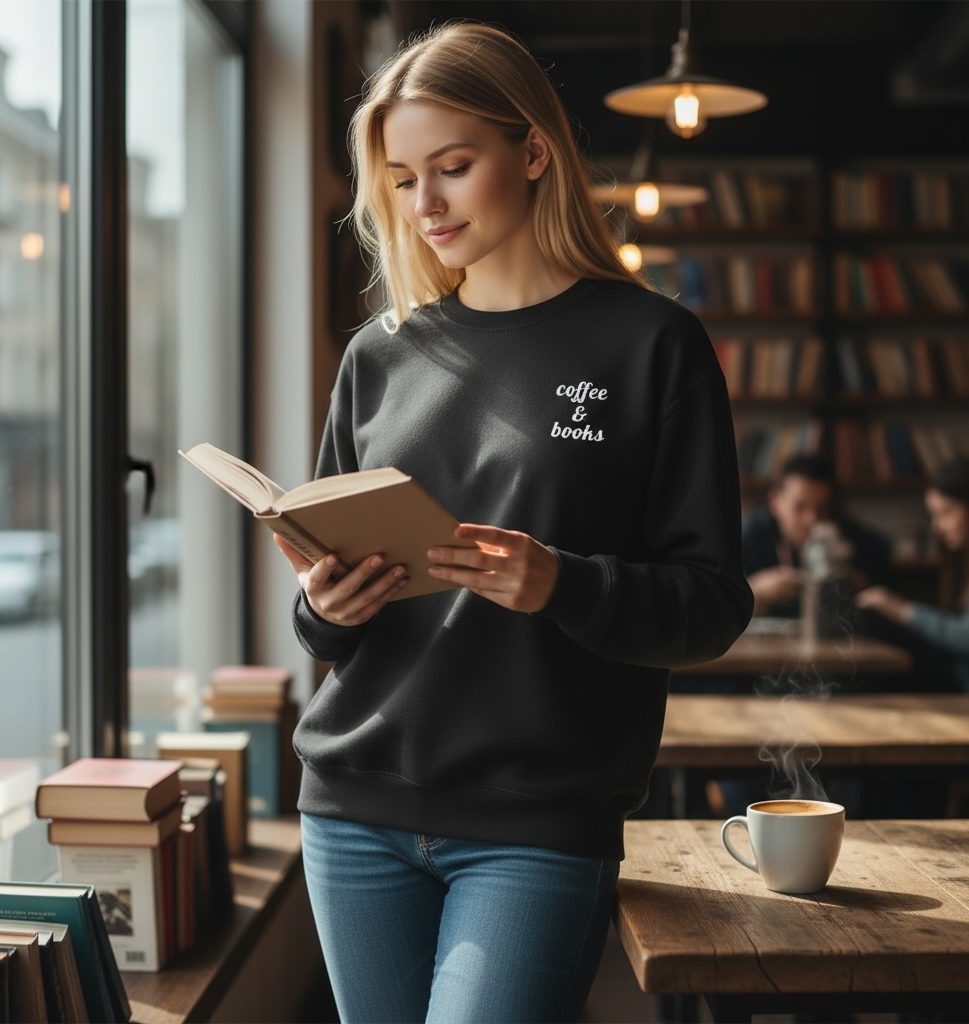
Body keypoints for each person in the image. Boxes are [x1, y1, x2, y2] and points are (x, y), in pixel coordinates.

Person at [272, 22, 752, 1023]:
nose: (426, 205)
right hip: (352, 806)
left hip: (539, 822)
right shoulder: (379, 355)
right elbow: (324, 623)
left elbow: (711, 604)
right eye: (403, 179)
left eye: (453, 167)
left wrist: (563, 583)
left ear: (532, 151)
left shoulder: (653, 345)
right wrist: (324, 607)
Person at [857, 457, 969, 706]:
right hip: (968, 685)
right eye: (933, 516)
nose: (936, 527)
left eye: (946, 512)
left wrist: (902, 610)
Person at [742, 452, 892, 620]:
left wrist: (855, 581)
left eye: (822, 508)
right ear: (775, 501)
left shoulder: (855, 538)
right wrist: (754, 591)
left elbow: (880, 591)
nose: (812, 520)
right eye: (800, 507)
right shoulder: (751, 536)